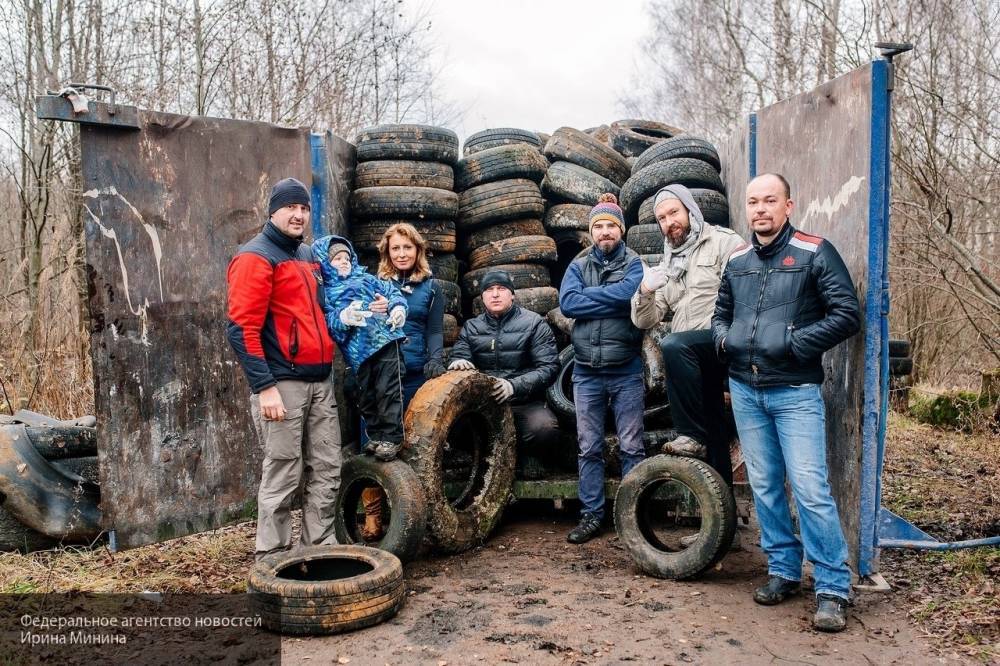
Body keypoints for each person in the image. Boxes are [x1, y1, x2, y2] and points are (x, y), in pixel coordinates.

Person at [711, 173, 861, 632]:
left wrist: (795, 344)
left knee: (811, 490)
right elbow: (720, 313)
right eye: (753, 201)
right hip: (745, 390)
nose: (760, 209)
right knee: (765, 485)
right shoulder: (737, 260)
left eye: (770, 201)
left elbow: (847, 314)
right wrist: (726, 341)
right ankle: (783, 571)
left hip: (794, 392)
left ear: (788, 206)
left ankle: (833, 587)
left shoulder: (816, 252)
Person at [226, 177, 341, 560]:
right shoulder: (254, 257)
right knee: (283, 472)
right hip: (283, 384)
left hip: (320, 380)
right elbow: (242, 329)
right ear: (273, 210)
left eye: (304, 208)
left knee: (326, 468)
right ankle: (272, 559)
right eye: (290, 207)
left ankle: (319, 550)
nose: (298, 214)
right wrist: (265, 387)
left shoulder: (307, 256)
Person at [631, 184, 743, 486]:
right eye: (662, 218)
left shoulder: (723, 242)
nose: (669, 222)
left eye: (673, 212)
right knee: (716, 435)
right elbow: (646, 319)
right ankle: (724, 522)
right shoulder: (670, 262)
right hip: (695, 357)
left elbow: (745, 294)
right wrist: (645, 290)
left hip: (724, 340)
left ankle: (690, 434)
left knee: (673, 345)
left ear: (690, 210)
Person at [558, 193, 645, 544]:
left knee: (631, 447)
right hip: (586, 372)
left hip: (626, 369)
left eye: (611, 225)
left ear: (621, 230)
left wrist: (591, 299)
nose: (605, 232)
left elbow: (630, 295)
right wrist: (612, 298)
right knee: (589, 446)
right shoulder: (578, 265)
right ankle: (592, 515)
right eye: (599, 227)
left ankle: (633, 517)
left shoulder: (635, 263)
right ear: (591, 232)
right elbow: (567, 303)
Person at [447, 269, 561, 471]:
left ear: (512, 294)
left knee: (544, 428)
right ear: (482, 296)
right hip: (484, 404)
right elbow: (460, 354)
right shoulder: (472, 327)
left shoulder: (534, 324)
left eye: (501, 288)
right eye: (489, 289)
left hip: (523, 402)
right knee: (451, 425)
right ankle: (482, 460)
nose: (495, 294)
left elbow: (549, 367)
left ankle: (528, 457)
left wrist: (513, 386)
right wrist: (458, 363)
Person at [313, 235, 408, 466]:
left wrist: (397, 309)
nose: (343, 261)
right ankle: (376, 435)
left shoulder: (367, 279)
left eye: (347, 257)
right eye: (336, 258)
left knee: (389, 391)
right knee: (364, 395)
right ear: (325, 263)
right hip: (357, 355)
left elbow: (393, 292)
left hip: (386, 342)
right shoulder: (325, 293)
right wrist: (343, 317)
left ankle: (392, 437)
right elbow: (327, 322)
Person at [376, 223, 447, 408]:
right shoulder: (374, 286)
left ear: (418, 250)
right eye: (395, 248)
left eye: (407, 247)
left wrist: (435, 360)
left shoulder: (431, 288)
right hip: (381, 375)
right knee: (380, 435)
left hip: (416, 374)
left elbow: (434, 331)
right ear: (387, 252)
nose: (401, 254)